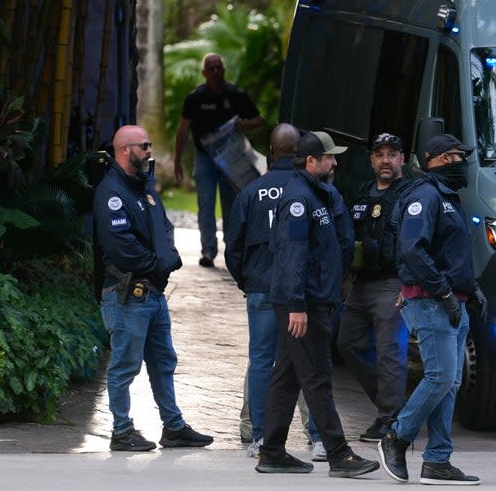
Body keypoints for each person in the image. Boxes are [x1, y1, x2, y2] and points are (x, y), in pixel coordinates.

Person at [255, 131, 379, 478]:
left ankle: (272, 452)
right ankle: (339, 454)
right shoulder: (299, 199)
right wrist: (297, 305)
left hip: (312, 299)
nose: (335, 162)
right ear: (311, 161)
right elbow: (292, 255)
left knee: (287, 376)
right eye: (329, 157)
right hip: (304, 304)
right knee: (318, 376)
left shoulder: (319, 194)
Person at [93, 125, 214, 452]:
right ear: (124, 151)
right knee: (124, 366)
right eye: (144, 146)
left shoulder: (143, 188)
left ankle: (173, 428)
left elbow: (165, 228)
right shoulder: (112, 193)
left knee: (163, 362)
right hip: (127, 295)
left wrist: (169, 257)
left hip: (153, 295)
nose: (149, 151)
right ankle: (121, 431)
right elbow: (122, 250)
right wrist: (160, 263)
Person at [379, 134, 485, 486]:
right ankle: (397, 436)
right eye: (457, 156)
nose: (463, 163)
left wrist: (471, 290)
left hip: (453, 303)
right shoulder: (424, 196)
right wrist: (444, 294)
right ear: (438, 160)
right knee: (439, 377)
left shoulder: (447, 197)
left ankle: (437, 461)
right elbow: (412, 250)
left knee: (450, 382)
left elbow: (449, 255)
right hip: (431, 302)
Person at [225, 123, 325, 459]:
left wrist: (248, 281)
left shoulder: (251, 192)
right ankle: (317, 437)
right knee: (306, 360)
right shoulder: (308, 191)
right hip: (299, 293)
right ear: (299, 154)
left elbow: (233, 247)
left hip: (261, 289)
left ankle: (259, 436)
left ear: (270, 151)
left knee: (261, 361)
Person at [337, 132, 414, 443]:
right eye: (379, 154)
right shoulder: (362, 192)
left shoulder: (410, 194)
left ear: (402, 159)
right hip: (361, 284)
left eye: (392, 154)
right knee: (348, 344)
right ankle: (393, 407)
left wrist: (408, 285)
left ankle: (390, 420)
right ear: (371, 159)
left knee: (389, 353)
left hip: (393, 282)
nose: (385, 160)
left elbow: (414, 243)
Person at [174, 53, 263, 267]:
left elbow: (259, 119)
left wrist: (244, 125)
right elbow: (183, 128)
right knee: (205, 203)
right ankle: (208, 250)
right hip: (204, 157)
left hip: (230, 158)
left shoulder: (236, 94)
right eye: (210, 68)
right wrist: (177, 160)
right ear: (204, 72)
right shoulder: (195, 97)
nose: (215, 72)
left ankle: (232, 251)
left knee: (231, 205)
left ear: (224, 70)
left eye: (218, 67)